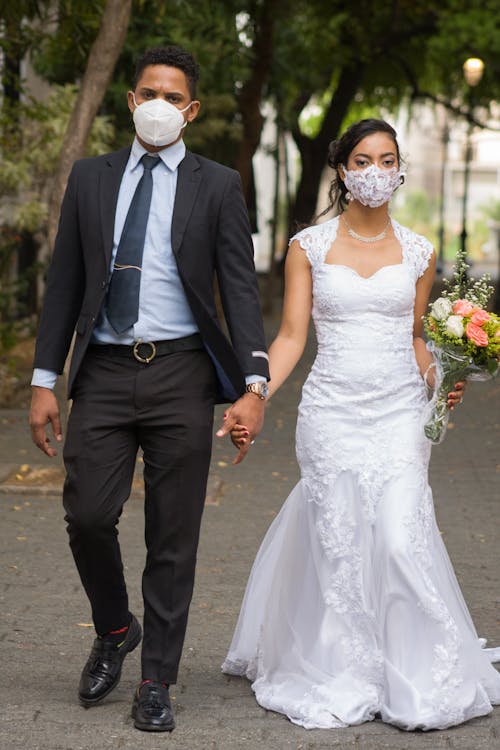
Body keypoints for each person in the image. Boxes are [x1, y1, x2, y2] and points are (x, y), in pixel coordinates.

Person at [220, 119, 500, 730]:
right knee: (342, 542)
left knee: (401, 536)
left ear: (399, 170)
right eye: (363, 160)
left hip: (402, 409)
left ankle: (415, 670)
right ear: (343, 170)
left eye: (388, 160)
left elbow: (416, 338)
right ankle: (344, 667)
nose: (376, 171)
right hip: (332, 412)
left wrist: (442, 377)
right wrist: (256, 392)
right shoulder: (309, 247)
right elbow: (293, 336)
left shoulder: (422, 252)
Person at [29, 46, 269, 733]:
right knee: (89, 514)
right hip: (102, 370)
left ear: (190, 110)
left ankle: (157, 678)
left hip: (182, 374)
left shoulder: (216, 184)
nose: (158, 104)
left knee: (173, 534)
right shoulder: (91, 177)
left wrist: (254, 384)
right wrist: (46, 380)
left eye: (173, 95)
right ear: (131, 100)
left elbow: (240, 290)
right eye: (147, 92)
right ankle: (114, 629)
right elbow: (66, 284)